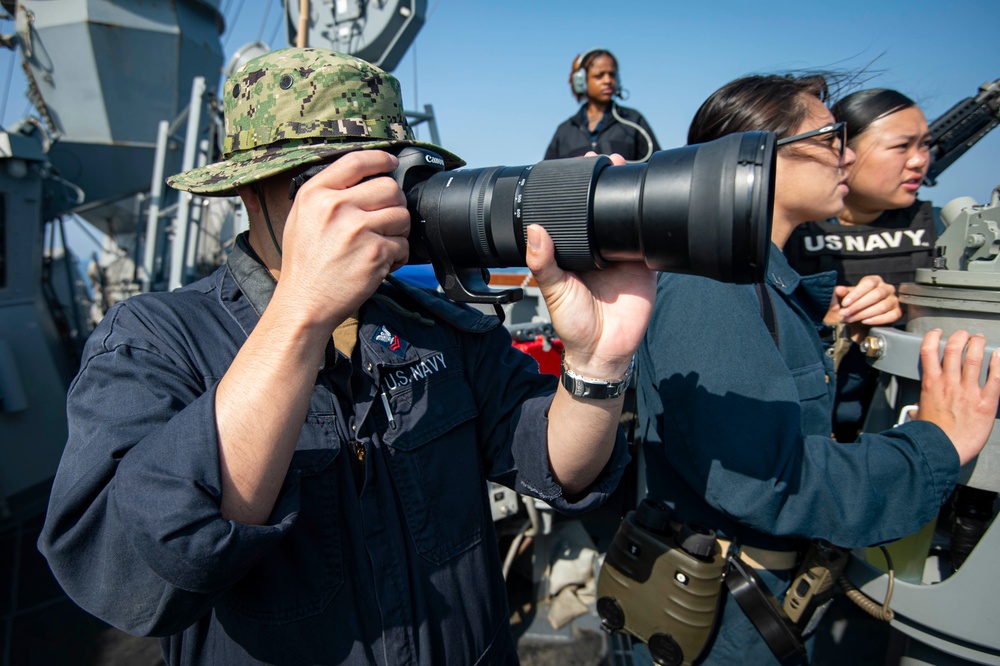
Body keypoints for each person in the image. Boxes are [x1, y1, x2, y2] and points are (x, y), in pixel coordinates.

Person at [38, 48, 656, 665]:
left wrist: (596, 363)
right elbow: (134, 570)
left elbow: (561, 466)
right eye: (330, 183)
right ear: (251, 192)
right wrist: (302, 312)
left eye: (383, 178)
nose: (368, 206)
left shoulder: (437, 326)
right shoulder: (157, 342)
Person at [633, 74, 1000, 666]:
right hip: (729, 625)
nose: (847, 154)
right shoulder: (710, 287)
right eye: (831, 136)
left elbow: (796, 416)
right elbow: (764, 479)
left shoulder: (760, 283)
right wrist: (936, 445)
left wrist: (847, 343)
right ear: (758, 155)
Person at [783, 88, 936, 440]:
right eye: (901, 146)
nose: (918, 161)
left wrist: (908, 313)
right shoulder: (787, 232)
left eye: (924, 144)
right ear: (843, 150)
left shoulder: (944, 229)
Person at [544, 48, 660, 162]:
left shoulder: (633, 121)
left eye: (612, 74)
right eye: (599, 75)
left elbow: (657, 168)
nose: (608, 81)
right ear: (581, 81)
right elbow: (544, 176)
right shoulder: (565, 131)